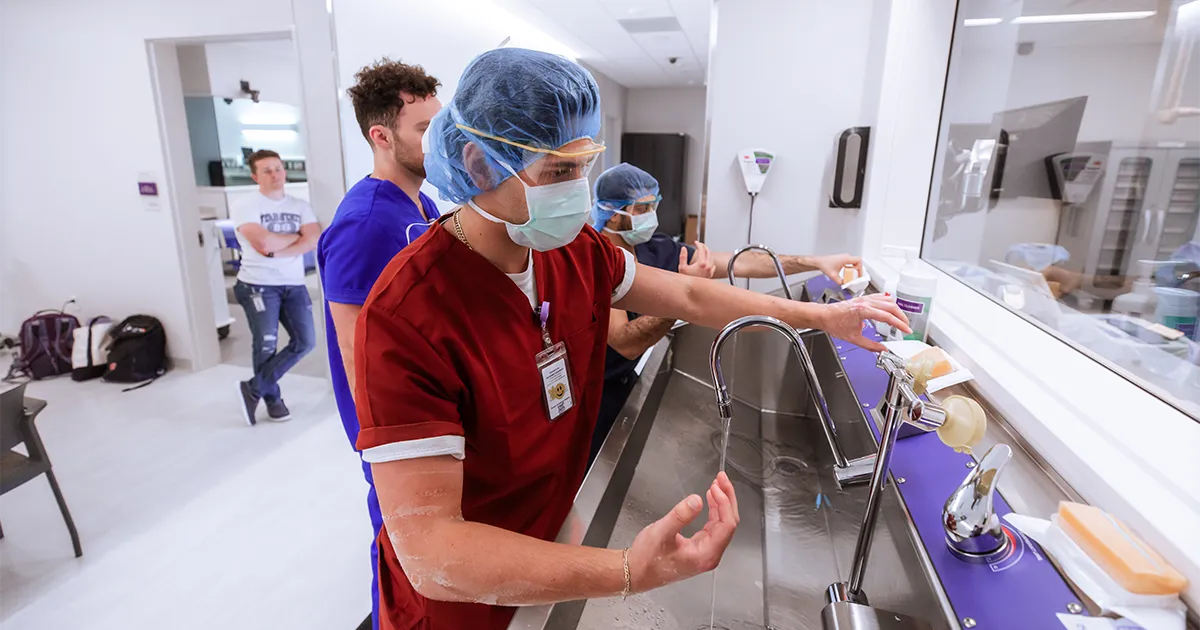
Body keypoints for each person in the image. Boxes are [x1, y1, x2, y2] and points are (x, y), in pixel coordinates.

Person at [355, 48, 908, 630]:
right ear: (480, 163)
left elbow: (692, 296)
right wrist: (627, 570)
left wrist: (824, 318)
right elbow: (432, 550)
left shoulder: (572, 253)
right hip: (457, 607)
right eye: (557, 172)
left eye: (583, 166)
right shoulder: (407, 315)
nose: (577, 190)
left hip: (546, 539)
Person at [589, 162, 865, 465]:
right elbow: (624, 343)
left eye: (654, 206)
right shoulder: (597, 261)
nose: (652, 216)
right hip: (598, 396)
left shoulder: (657, 248)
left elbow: (745, 263)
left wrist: (816, 262)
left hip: (631, 381)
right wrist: (688, 286)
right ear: (614, 213)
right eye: (642, 209)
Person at [315, 58, 441, 630]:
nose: (437, 140)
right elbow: (351, 347)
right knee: (399, 545)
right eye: (423, 129)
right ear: (381, 135)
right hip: (394, 426)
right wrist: (386, 443)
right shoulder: (364, 223)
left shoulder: (425, 204)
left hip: (431, 402)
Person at [231, 149, 320, 426]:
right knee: (266, 346)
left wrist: (277, 248)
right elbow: (264, 243)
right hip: (258, 284)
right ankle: (273, 399)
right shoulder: (245, 204)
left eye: (278, 168)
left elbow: (314, 239)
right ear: (255, 176)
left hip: (293, 284)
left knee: (305, 342)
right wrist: (295, 238)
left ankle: (254, 387)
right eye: (267, 170)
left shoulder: (300, 205)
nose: (275, 175)